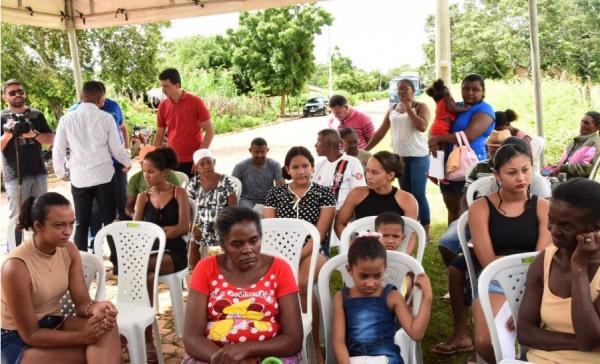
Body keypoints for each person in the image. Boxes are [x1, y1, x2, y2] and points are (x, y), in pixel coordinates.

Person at [433, 142, 551, 362]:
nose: (521, 178)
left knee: (543, 342)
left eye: (526, 170)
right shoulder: (480, 208)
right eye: (512, 172)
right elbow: (488, 261)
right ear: (496, 174)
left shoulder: (543, 207)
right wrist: (523, 260)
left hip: (537, 283)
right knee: (487, 343)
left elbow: (542, 258)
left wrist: (527, 303)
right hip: (495, 281)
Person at [0, 192, 121, 364]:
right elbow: (31, 334)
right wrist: (82, 337)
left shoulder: (69, 250)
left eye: (71, 224)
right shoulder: (15, 267)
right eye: (59, 225)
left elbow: (81, 302)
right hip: (16, 337)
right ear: (38, 226)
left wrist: (96, 308)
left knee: (105, 327)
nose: (68, 232)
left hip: (53, 322)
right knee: (93, 354)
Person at [182, 206, 303, 364]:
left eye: (254, 241)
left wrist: (247, 350)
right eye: (237, 244)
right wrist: (227, 359)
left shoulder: (279, 269)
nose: (248, 249)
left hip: (268, 353)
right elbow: (192, 338)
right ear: (223, 246)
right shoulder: (206, 268)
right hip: (214, 356)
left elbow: (294, 339)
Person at [264, 146, 336, 363]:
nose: (301, 171)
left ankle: (313, 345)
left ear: (312, 167)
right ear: (287, 169)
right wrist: (284, 258)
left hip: (314, 252)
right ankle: (276, 341)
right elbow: (269, 229)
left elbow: (319, 234)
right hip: (279, 254)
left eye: (305, 166)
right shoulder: (275, 193)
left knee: (302, 284)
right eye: (295, 167)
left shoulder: (324, 193)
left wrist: (294, 256)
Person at [518, 178, 600, 364]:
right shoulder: (544, 261)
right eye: (551, 221)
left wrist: (579, 268)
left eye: (567, 226)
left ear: (595, 228)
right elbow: (524, 332)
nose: (554, 231)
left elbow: (588, 336)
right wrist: (584, 342)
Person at [52, 81, 131, 260]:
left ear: (81, 97)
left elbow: (57, 150)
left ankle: (80, 264)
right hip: (104, 177)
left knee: (81, 222)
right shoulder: (106, 118)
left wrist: (60, 172)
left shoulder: (66, 119)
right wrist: (127, 162)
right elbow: (117, 149)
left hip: (80, 178)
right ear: (101, 99)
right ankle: (118, 262)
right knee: (109, 220)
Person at [332, 237, 432, 364]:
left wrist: (427, 298)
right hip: (353, 360)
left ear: (385, 268)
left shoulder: (392, 296)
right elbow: (338, 341)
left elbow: (416, 333)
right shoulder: (341, 297)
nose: (370, 283)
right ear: (349, 270)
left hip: (388, 359)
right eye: (363, 276)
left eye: (377, 276)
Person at [133, 147, 189, 361]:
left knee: (135, 269)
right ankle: (147, 335)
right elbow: (137, 229)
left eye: (151, 172)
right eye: (144, 171)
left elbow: (182, 227)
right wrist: (160, 234)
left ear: (165, 173)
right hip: (151, 251)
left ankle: (141, 334)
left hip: (174, 252)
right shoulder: (142, 197)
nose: (146, 176)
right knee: (144, 275)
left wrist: (157, 234)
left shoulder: (179, 193)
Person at [365, 79, 431, 236]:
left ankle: (425, 231)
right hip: (400, 159)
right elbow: (381, 131)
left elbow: (422, 127)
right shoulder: (392, 109)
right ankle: (409, 229)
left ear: (413, 90)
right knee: (405, 194)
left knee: (418, 194)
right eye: (399, 89)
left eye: (405, 89)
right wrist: (366, 149)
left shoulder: (420, 106)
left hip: (418, 156)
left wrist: (409, 108)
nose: (401, 92)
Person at [428, 73, 496, 225]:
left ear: (482, 92)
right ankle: (453, 243)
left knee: (469, 208)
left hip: (470, 165)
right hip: (447, 163)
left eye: (475, 89)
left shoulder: (485, 110)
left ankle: (470, 244)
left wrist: (438, 139)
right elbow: (439, 123)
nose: (470, 93)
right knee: (452, 208)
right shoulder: (456, 106)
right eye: (466, 88)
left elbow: (469, 135)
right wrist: (433, 140)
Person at [1, 79, 54, 248]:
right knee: (17, 216)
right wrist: (8, 134)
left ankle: (39, 249)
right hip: (15, 174)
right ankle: (15, 253)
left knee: (40, 213)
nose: (18, 95)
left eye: (20, 91)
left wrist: (34, 135)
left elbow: (51, 139)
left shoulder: (36, 114)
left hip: (38, 172)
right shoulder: (2, 117)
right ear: (4, 97)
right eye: (13, 93)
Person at [335, 151, 419, 255]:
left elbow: (412, 233)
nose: (368, 176)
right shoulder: (357, 194)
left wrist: (404, 257)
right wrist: (352, 247)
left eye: (375, 172)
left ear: (390, 175)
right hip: (363, 251)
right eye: (367, 171)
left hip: (396, 251)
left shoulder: (407, 199)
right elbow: (339, 223)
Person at [69, 82, 130, 223]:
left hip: (117, 161)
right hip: (94, 167)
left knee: (121, 197)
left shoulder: (113, 106)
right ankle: (96, 237)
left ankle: (123, 232)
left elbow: (122, 128)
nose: (103, 103)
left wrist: (126, 150)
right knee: (96, 207)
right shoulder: (73, 112)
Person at [154, 68, 215, 177]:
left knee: (195, 193)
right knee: (175, 193)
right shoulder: (163, 105)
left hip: (193, 161)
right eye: (162, 86)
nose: (163, 90)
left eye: (166, 86)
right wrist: (157, 160)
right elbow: (159, 134)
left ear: (177, 85)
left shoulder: (195, 102)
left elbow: (210, 131)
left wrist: (199, 157)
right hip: (172, 161)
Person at [186, 148, 238, 269]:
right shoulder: (193, 184)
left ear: (214, 162)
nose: (206, 166)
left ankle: (217, 273)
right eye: (202, 164)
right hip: (199, 224)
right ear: (196, 167)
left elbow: (234, 209)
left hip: (222, 223)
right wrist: (193, 227)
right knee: (192, 242)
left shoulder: (227, 182)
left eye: (208, 162)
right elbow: (189, 208)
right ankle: (198, 273)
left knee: (218, 245)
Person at [314, 129, 366, 210]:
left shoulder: (352, 162)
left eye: (318, 142)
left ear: (329, 144)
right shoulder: (319, 166)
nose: (315, 145)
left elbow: (359, 193)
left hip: (344, 215)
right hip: (320, 213)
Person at [124, 145, 181, 218]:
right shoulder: (141, 194)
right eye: (144, 169)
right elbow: (129, 208)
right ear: (141, 164)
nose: (146, 176)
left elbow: (182, 224)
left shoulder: (178, 191)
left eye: (151, 171)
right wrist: (138, 215)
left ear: (164, 171)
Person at [232, 137, 284, 209]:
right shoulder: (240, 166)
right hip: (247, 199)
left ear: (267, 150)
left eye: (262, 152)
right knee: (248, 215)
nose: (259, 155)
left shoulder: (274, 165)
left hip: (268, 198)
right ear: (250, 150)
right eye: (256, 152)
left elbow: (280, 187)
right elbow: (232, 188)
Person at [547, 111, 600, 179]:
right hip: (562, 179)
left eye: (586, 123)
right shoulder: (575, 141)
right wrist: (555, 167)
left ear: (597, 127)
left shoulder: (595, 143)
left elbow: (587, 168)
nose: (582, 125)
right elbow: (566, 162)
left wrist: (562, 168)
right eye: (582, 121)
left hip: (577, 184)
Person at [425, 78, 471, 154]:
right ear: (447, 94)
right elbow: (453, 108)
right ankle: (442, 162)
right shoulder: (447, 100)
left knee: (439, 151)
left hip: (437, 127)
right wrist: (465, 108)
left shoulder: (440, 103)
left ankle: (439, 162)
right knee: (443, 150)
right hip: (441, 128)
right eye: (449, 93)